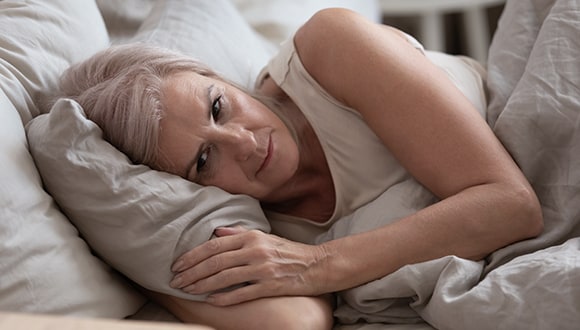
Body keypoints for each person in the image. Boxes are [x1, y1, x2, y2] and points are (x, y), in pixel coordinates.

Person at [55, 8, 543, 330]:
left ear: (218, 78)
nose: (244, 143)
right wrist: (140, 271)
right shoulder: (254, 230)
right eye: (204, 160)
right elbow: (296, 323)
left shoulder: (331, 47)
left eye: (219, 107)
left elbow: (513, 206)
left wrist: (318, 265)